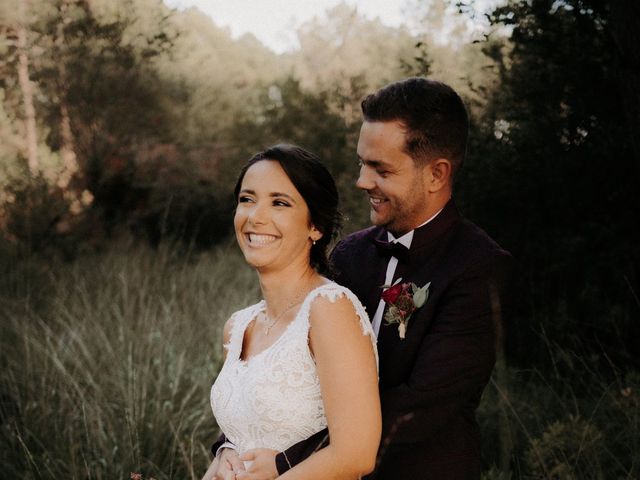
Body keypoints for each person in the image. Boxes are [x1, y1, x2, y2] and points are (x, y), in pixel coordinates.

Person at [202, 145, 381, 480]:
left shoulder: (328, 310)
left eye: (279, 203)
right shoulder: (238, 326)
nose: (256, 216)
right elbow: (241, 436)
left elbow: (356, 453)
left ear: (315, 226)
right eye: (247, 199)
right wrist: (222, 458)